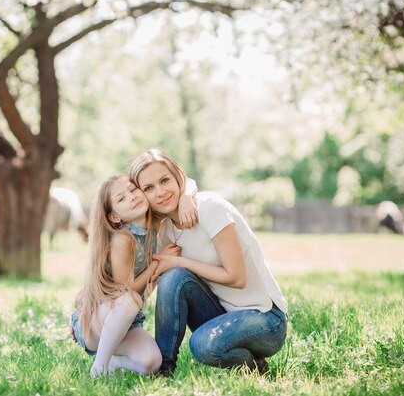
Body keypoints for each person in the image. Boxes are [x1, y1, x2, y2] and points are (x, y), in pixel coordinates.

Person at [128, 149, 288, 376]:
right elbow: (155, 285)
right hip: (222, 313)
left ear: (178, 178)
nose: (160, 192)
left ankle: (254, 368)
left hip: (265, 318)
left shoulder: (210, 208)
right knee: (173, 277)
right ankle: (162, 371)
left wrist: (178, 261)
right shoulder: (164, 231)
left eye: (165, 180)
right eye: (149, 188)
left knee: (203, 345)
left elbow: (237, 278)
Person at [70, 174, 196, 377]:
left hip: (126, 324)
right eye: (121, 199)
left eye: (132, 189)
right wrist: (158, 262)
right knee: (130, 300)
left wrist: (187, 197)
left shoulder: (154, 225)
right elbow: (125, 292)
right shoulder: (123, 238)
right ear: (115, 216)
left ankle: (112, 361)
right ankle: (99, 368)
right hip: (97, 322)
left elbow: (185, 181)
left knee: (152, 362)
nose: (131, 197)